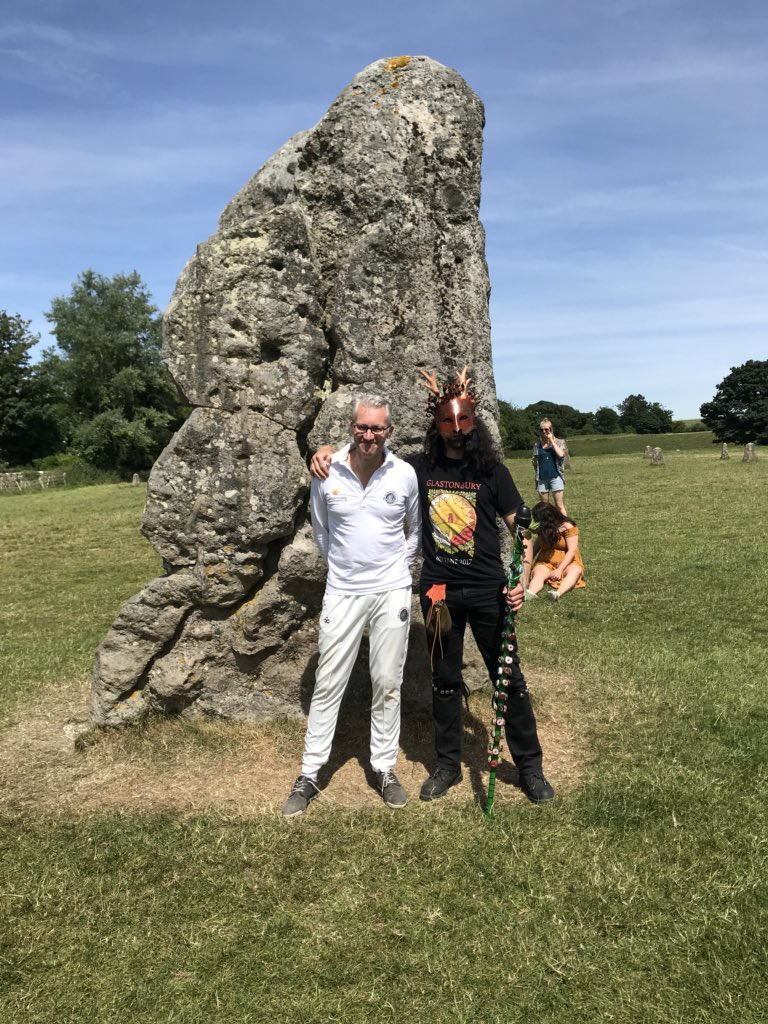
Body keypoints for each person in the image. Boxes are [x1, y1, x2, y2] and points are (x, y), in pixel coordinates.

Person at [311, 368, 554, 805]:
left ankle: (530, 767)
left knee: (509, 679)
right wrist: (327, 450)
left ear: (474, 422)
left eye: (464, 422)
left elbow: (521, 530)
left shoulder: (492, 471)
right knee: (444, 679)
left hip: (488, 592)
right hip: (439, 592)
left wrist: (521, 580)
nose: (457, 430)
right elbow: (369, 449)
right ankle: (447, 765)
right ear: (435, 423)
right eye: (449, 421)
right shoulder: (417, 469)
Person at [281, 394, 420, 817]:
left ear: (389, 431)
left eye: (377, 428)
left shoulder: (405, 475)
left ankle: (383, 768)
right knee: (328, 682)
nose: (369, 435)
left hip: (391, 589)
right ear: (351, 428)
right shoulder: (326, 471)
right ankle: (309, 773)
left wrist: (398, 572)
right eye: (362, 427)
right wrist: (344, 570)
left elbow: (414, 532)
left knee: (387, 681)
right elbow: (321, 532)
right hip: (343, 590)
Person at [526, 501, 585, 601]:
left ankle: (557, 593)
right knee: (538, 572)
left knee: (576, 571)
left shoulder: (567, 526)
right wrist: (526, 563)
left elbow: (572, 550)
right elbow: (536, 548)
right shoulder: (542, 529)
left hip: (568, 562)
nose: (536, 521)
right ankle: (530, 592)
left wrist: (560, 569)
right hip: (547, 561)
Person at [532, 419, 568, 515]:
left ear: (551, 430)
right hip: (542, 479)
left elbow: (561, 455)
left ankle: (566, 526)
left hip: (556, 477)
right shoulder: (537, 445)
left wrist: (552, 440)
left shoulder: (559, 442)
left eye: (546, 429)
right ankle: (548, 527)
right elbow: (535, 463)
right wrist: (534, 460)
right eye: (541, 430)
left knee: (559, 506)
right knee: (544, 507)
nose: (544, 431)